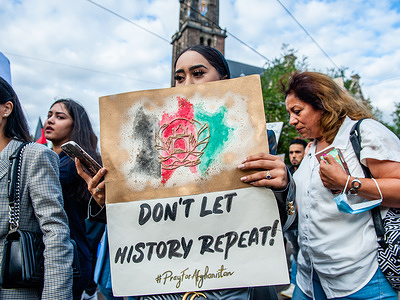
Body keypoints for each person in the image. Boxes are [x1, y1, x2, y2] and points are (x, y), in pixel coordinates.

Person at [77, 45, 296, 299]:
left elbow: (280, 222)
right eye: (179, 78)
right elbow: (139, 224)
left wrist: (282, 186)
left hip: (234, 284)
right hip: (165, 285)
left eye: (198, 73)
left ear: (224, 79)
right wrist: (109, 202)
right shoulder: (144, 145)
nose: (187, 83)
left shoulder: (253, 136)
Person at [282, 71, 400, 299]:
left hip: (359, 278)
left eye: (297, 111)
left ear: (323, 104)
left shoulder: (363, 132)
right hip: (309, 279)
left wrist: (348, 183)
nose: (291, 121)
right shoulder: (311, 148)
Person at [0, 77, 73, 299]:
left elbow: (55, 233)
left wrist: (55, 296)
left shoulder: (32, 155)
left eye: (59, 116)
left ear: (6, 109)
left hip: (13, 289)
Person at [44, 99, 101, 300]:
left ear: (75, 125)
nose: (50, 120)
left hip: (69, 257)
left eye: (60, 117)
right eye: (49, 114)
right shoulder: (51, 158)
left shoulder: (73, 164)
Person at [281, 138, 307, 299]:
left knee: (303, 255)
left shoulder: (309, 172)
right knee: (296, 254)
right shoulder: (287, 172)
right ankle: (295, 283)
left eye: (298, 152)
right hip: (291, 223)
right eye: (291, 152)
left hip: (305, 223)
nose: (294, 156)